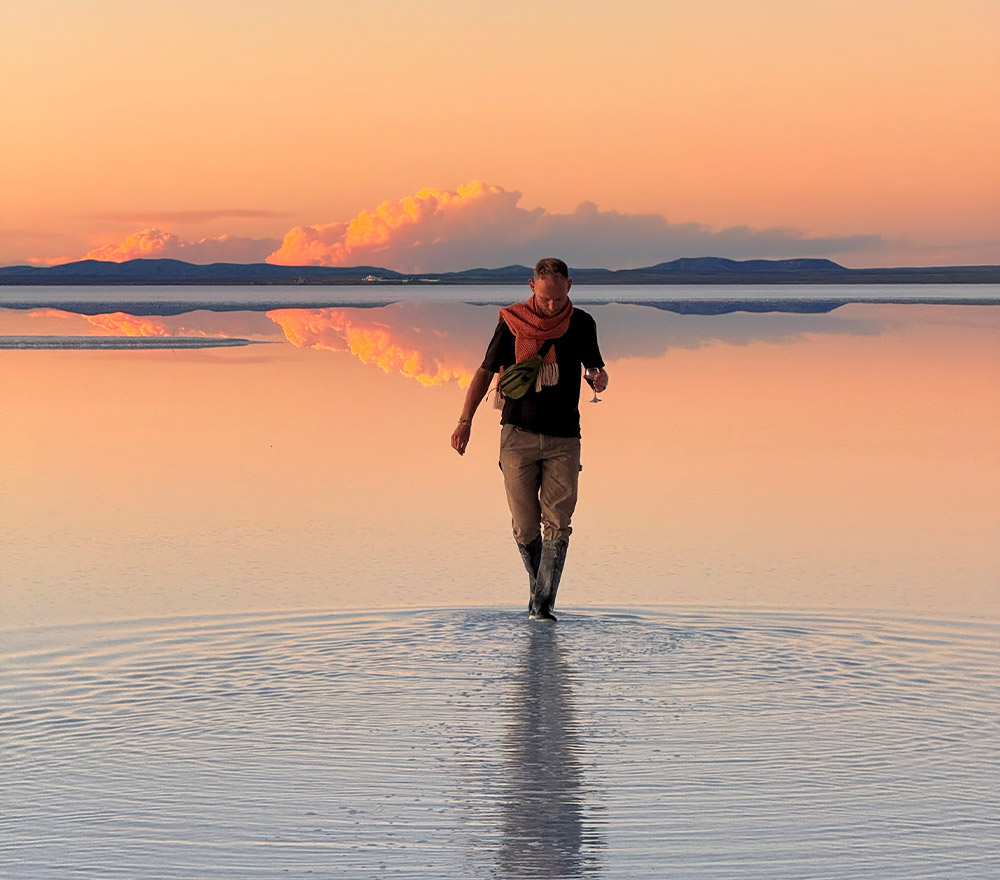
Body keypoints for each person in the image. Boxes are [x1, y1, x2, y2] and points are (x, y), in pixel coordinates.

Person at [451, 258, 608, 621]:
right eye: (545, 298)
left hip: (565, 439)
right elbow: (484, 371)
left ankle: (542, 607)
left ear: (569, 286)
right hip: (517, 437)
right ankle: (541, 597)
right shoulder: (512, 324)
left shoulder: (582, 323)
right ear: (531, 287)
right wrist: (464, 421)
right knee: (524, 527)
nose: (552, 305)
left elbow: (595, 369)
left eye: (557, 298)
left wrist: (599, 381)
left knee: (558, 523)